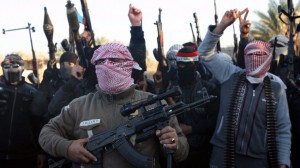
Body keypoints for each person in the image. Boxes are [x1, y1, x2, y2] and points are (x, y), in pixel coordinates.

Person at [39, 43, 189, 168]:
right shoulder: (80, 106)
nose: (106, 66)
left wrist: (173, 143)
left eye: (113, 60)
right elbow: (46, 133)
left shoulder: (153, 103)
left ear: (127, 64)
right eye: (100, 62)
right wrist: (67, 148)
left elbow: (182, 150)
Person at [198, 9, 291, 168]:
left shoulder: (276, 88)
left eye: (259, 56)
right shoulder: (230, 74)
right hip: (223, 156)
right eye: (250, 55)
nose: (254, 59)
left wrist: (283, 163)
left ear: (268, 59)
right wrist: (222, 26)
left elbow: (282, 129)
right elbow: (204, 53)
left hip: (257, 160)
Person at [174, 46, 220, 168]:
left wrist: (190, 129)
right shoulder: (171, 89)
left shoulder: (210, 89)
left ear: (195, 64)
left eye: (186, 64)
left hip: (203, 150)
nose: (182, 68)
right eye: (179, 64)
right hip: (178, 149)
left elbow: (214, 121)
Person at [0, 54, 48, 168]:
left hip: (26, 155)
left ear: (22, 68)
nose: (11, 69)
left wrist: (41, 152)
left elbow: (40, 123)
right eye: (6, 66)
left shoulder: (32, 92)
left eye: (15, 65)